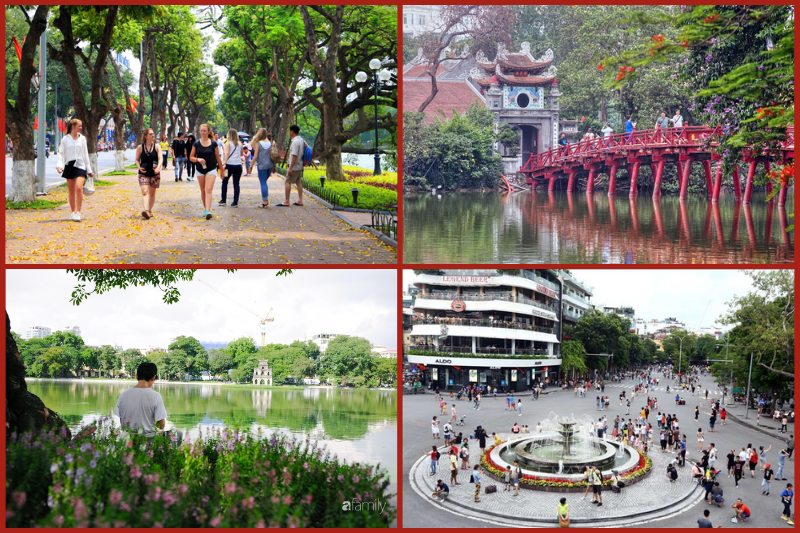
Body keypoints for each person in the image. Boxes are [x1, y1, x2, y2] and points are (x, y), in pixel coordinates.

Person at [56, 118, 94, 222]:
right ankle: (73, 212)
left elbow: (85, 155)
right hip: (69, 166)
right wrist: (60, 165)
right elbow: (61, 154)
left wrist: (89, 169)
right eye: (79, 126)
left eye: (81, 126)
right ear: (73, 126)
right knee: (71, 190)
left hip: (80, 165)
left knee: (78, 188)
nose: (81, 128)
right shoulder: (65, 139)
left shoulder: (82, 139)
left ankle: (78, 212)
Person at [115, 362, 167, 437]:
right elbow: (161, 425)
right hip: (148, 440)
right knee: (177, 434)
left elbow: (121, 420)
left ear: (137, 376)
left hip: (126, 439)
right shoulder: (156, 396)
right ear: (153, 377)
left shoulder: (123, 395)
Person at [189, 123, 223, 219]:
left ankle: (208, 210)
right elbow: (190, 157)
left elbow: (218, 158)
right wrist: (198, 159)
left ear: (208, 132)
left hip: (211, 169)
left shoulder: (213, 143)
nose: (203, 132)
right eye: (201, 131)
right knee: (203, 190)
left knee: (208, 189)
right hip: (200, 169)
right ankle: (205, 209)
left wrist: (222, 170)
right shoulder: (196, 143)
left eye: (205, 131)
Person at [134, 128, 162, 220]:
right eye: (150, 134)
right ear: (146, 136)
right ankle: (146, 210)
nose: (153, 135)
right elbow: (137, 160)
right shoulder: (140, 147)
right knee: (145, 192)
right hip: (143, 173)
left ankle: (149, 210)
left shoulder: (157, 147)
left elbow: (160, 158)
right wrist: (139, 167)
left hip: (155, 173)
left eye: (153, 134)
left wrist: (158, 167)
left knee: (152, 194)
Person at [276, 124, 305, 207]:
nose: (289, 132)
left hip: (294, 166)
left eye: (289, 131)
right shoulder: (301, 140)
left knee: (287, 181)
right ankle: (300, 200)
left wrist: (290, 168)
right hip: (300, 165)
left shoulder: (295, 142)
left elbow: (294, 155)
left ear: (292, 131)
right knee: (298, 182)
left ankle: (287, 201)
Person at [219, 129, 243, 207]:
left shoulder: (228, 143)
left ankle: (223, 200)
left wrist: (224, 164)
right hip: (238, 166)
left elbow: (226, 154)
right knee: (236, 184)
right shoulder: (240, 144)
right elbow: (241, 154)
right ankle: (235, 202)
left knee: (224, 182)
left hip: (228, 166)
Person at [250, 128, 273, 208]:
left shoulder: (258, 143)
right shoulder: (270, 143)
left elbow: (255, 156)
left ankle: (265, 201)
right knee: (264, 182)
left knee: (263, 183)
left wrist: (251, 165)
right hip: (270, 166)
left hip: (262, 166)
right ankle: (265, 198)